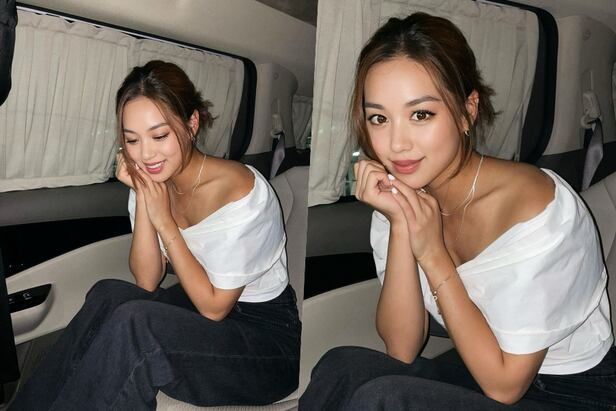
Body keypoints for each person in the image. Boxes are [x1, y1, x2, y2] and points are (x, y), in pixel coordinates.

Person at [299, 12, 614, 411]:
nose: (396, 144)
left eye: (421, 114)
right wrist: (401, 224)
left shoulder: (536, 208)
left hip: (571, 391)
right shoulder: (404, 195)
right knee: (341, 366)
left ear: (467, 110)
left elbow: (505, 386)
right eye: (379, 118)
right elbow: (401, 348)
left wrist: (433, 254)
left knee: (383, 398)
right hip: (477, 366)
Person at [11, 60, 301, 410]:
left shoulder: (242, 193)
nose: (146, 154)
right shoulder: (152, 179)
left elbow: (214, 307)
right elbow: (147, 280)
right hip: (199, 309)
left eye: (160, 135)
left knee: (137, 325)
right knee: (109, 295)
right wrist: (145, 199)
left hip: (266, 342)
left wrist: (164, 220)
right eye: (132, 140)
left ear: (192, 123)